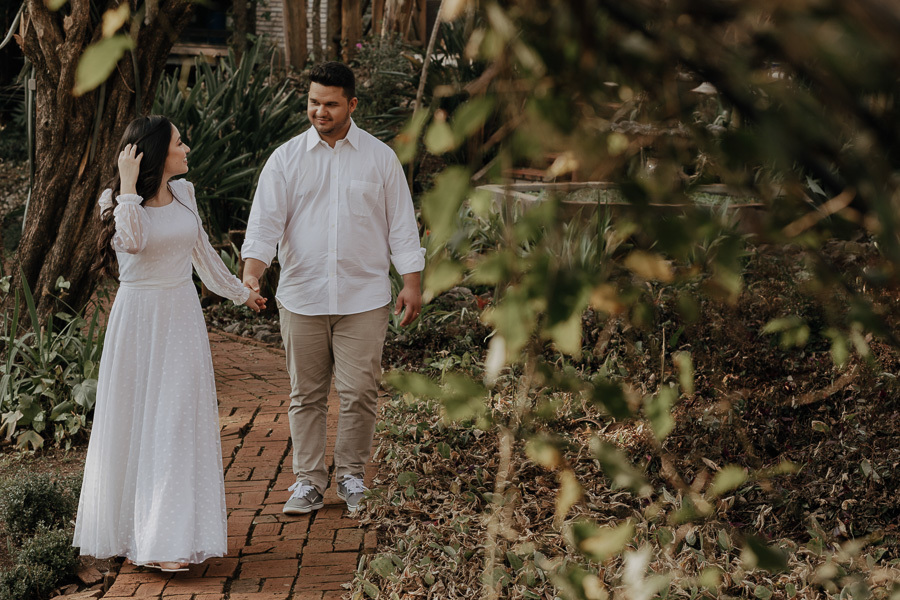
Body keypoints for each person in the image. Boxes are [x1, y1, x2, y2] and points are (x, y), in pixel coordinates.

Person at [73, 115, 266, 572]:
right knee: (135, 422)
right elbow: (132, 242)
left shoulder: (186, 193)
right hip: (138, 321)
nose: (187, 149)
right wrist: (126, 186)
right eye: (180, 142)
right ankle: (133, 535)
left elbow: (203, 255)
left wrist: (240, 292)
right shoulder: (114, 202)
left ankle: (168, 539)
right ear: (156, 153)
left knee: (176, 421)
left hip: (181, 317)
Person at [241, 61, 424, 514]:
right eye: (313, 102)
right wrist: (252, 273)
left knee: (360, 391)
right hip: (302, 296)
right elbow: (264, 226)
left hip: (364, 298)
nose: (320, 111)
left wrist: (412, 283)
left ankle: (351, 476)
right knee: (306, 395)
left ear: (352, 104)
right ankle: (308, 481)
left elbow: (402, 226)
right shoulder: (285, 159)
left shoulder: (380, 158)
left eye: (331, 104)